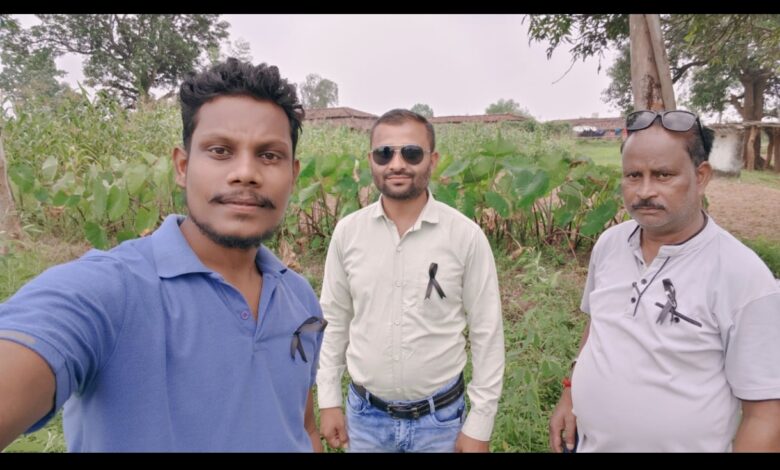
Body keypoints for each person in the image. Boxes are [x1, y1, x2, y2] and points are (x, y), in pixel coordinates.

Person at [0, 58, 326, 452]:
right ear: (182, 167)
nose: (246, 173)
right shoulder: (108, 292)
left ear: (293, 174)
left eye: (269, 155)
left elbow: (300, 425)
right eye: (220, 150)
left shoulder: (300, 298)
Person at [549, 109, 780, 452]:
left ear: (701, 176)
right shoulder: (610, 244)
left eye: (663, 175)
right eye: (633, 175)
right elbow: (597, 326)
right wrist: (570, 392)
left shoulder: (743, 276)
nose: (645, 191)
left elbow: (765, 416)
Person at [316, 109, 505, 453]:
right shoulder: (348, 233)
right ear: (371, 161)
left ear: (433, 160)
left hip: (440, 423)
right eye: (384, 153)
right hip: (365, 421)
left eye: (411, 153)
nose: (397, 164)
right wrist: (328, 398)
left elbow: (487, 332)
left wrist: (480, 424)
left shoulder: (464, 236)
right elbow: (334, 319)